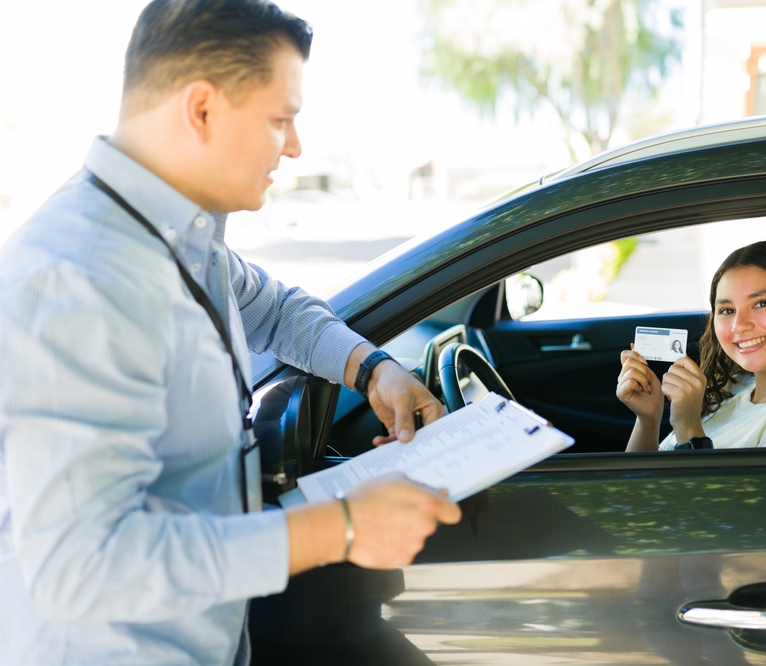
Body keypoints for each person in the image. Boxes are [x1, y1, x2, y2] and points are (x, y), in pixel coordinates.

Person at [0, 2, 461, 664]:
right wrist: (342, 527)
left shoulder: (183, 237)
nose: (295, 147)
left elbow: (275, 311)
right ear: (203, 110)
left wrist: (372, 369)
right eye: (281, 119)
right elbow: (83, 564)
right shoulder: (78, 277)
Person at [618, 239, 766, 451]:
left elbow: (717, 506)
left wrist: (689, 427)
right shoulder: (735, 386)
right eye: (727, 310)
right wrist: (649, 420)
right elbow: (637, 489)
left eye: (762, 303)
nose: (738, 325)